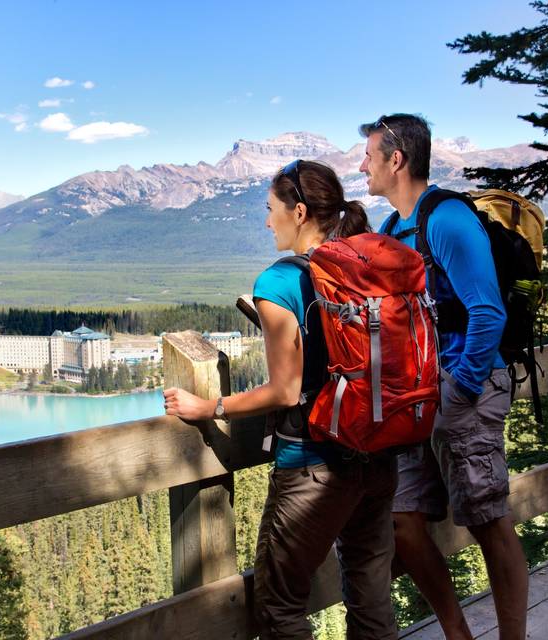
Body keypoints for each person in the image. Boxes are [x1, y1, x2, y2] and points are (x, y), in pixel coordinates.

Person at [163, 160, 399, 640]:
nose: (267, 221)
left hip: (313, 466)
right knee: (371, 592)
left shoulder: (278, 282)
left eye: (270, 210)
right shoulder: (366, 263)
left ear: (298, 211)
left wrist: (209, 409)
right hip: (378, 452)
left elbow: (285, 390)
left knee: (279, 607)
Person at [359, 113, 528, 640]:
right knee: (403, 522)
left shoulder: (447, 220)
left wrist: (461, 390)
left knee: (487, 521)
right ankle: (458, 634)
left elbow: (488, 312)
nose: (361, 165)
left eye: (369, 155)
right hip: (418, 397)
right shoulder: (391, 230)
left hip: (465, 390)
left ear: (396, 159)